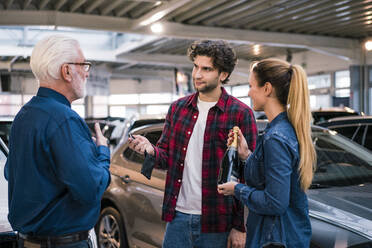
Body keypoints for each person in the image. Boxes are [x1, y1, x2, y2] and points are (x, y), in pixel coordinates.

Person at [128, 40, 257, 248]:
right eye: (196, 66)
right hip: (178, 217)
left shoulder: (241, 113)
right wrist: (151, 150)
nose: (197, 74)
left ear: (223, 74)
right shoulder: (178, 109)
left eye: (206, 69)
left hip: (218, 222)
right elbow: (166, 157)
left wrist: (239, 226)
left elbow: (246, 175)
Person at [4, 35, 111, 248]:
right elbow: (91, 189)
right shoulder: (65, 119)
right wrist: (102, 151)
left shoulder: (24, 115)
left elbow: (11, 173)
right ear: (67, 71)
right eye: (84, 65)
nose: (87, 72)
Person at [218, 58, 316, 248]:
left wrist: (236, 189)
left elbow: (275, 202)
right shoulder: (284, 129)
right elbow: (270, 178)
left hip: (274, 239)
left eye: (251, 85)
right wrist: (246, 155)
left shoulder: (276, 138)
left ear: (267, 88)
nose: (248, 92)